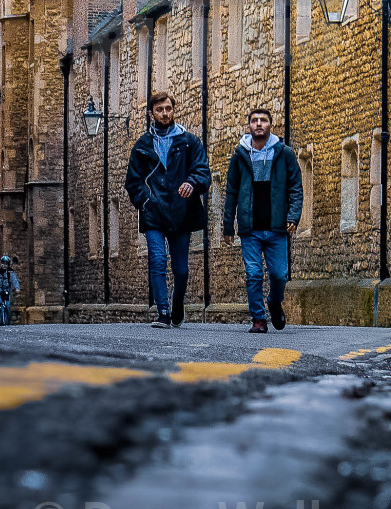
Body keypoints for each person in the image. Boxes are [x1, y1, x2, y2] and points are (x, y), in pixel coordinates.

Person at [125, 91, 211, 327]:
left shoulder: (189, 142)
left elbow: (203, 172)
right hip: (153, 211)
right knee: (158, 259)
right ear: (151, 112)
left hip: (181, 211)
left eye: (168, 109)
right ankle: (163, 312)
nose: (164, 113)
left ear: (174, 110)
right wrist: (146, 200)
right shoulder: (142, 145)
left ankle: (177, 302)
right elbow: (133, 182)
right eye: (159, 109)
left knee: (181, 269)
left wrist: (191, 182)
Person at [222, 107, 302, 333]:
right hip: (250, 228)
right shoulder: (240, 155)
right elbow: (231, 192)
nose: (259, 124)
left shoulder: (284, 153)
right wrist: (228, 225)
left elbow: (296, 186)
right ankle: (258, 319)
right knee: (254, 273)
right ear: (249, 126)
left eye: (263, 121)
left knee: (279, 275)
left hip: (277, 226)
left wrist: (294, 216)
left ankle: (274, 302)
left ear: (270, 125)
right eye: (254, 121)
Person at [0, 255, 20, 323]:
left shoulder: (10, 273)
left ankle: (7, 319)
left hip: (6, 291)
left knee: (7, 305)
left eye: (6, 264)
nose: (4, 265)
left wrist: (17, 288)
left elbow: (14, 280)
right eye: (3, 263)